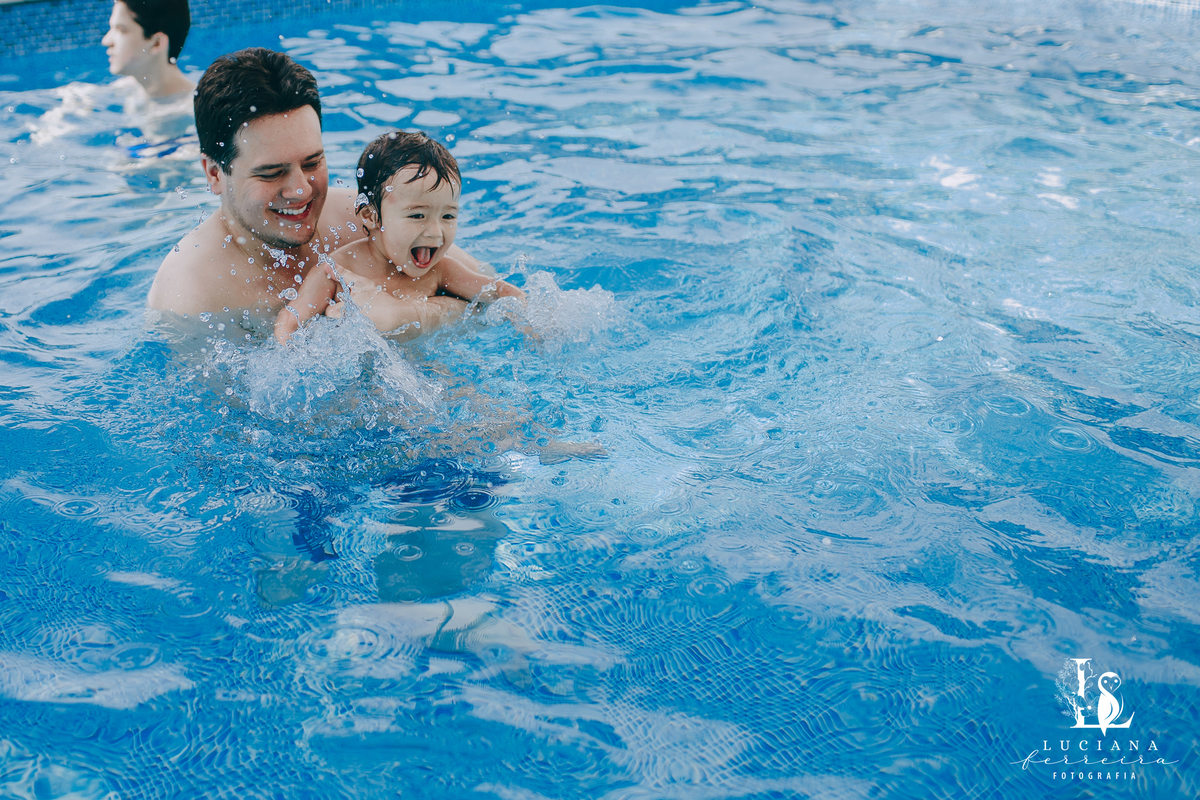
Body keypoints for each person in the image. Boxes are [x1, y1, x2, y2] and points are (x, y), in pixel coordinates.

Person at [146, 47, 487, 329]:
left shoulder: (363, 218)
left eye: (312, 164)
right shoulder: (193, 297)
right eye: (271, 173)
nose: (300, 191)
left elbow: (491, 298)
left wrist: (411, 316)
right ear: (215, 174)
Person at [274, 131, 524, 343]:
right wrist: (285, 352)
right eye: (417, 216)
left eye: (448, 216)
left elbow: (497, 291)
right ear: (371, 216)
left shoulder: (441, 270)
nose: (435, 232)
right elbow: (292, 319)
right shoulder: (337, 270)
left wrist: (530, 319)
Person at [101, 0, 194, 102]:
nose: (106, 41)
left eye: (121, 30)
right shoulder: (126, 89)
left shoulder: (191, 110)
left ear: (156, 43)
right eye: (112, 28)